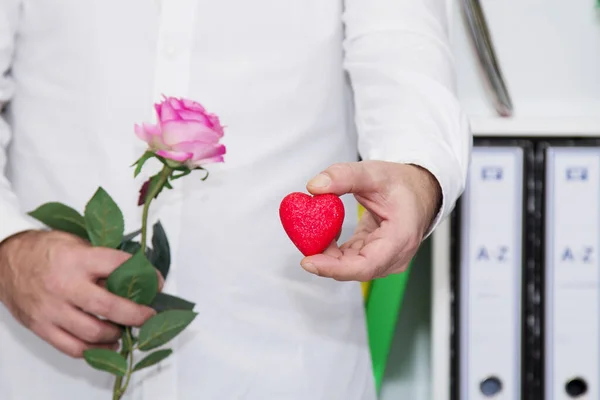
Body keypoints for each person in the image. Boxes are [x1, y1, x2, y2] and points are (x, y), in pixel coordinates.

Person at [0, 0, 471, 399]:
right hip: (43, 360)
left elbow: (403, 48)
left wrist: (417, 173)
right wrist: (8, 244)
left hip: (288, 360)